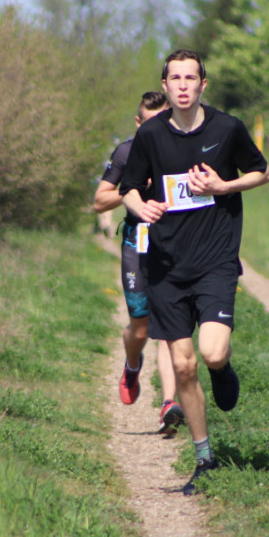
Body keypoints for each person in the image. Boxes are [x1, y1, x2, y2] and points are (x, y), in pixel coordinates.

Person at [119, 49, 269, 495]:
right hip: (165, 265)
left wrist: (225, 185)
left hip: (215, 260)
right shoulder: (149, 135)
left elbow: (263, 171)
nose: (183, 85)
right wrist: (140, 206)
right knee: (182, 366)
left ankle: (223, 371)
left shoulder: (227, 129)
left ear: (204, 84)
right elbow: (127, 189)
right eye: (174, 78)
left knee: (211, 353)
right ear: (164, 87)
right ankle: (205, 458)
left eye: (191, 78)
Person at [94, 91, 185, 435]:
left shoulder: (180, 148)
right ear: (138, 123)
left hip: (174, 243)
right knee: (142, 328)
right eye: (148, 124)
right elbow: (100, 201)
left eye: (161, 122)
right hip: (137, 242)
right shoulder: (126, 151)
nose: (155, 131)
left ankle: (169, 404)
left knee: (170, 327)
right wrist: (133, 189)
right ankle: (132, 364)